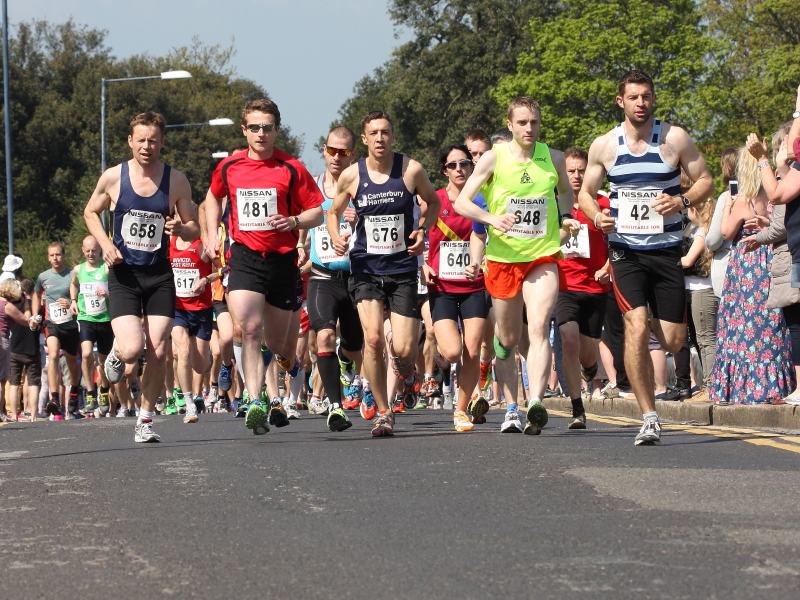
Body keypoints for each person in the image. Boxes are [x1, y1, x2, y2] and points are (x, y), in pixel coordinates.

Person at [579, 70, 714, 445]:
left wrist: (681, 199)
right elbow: (587, 193)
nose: (641, 103)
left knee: (673, 342)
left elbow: (706, 180)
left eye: (647, 97)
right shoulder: (605, 145)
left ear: (654, 99)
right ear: (621, 101)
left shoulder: (674, 138)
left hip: (667, 250)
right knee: (635, 325)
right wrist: (596, 215)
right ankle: (649, 416)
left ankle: (651, 326)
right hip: (626, 252)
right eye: (634, 97)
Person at [455, 96, 578, 435]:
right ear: (510, 125)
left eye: (534, 122)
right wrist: (493, 218)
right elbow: (462, 201)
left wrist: (566, 218)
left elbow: (566, 192)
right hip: (504, 259)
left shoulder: (552, 158)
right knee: (507, 340)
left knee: (539, 326)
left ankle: (535, 402)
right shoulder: (494, 159)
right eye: (522, 122)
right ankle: (510, 405)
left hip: (542, 255)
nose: (529, 128)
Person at [204, 99, 324, 435]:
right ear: (244, 130)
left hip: (283, 262)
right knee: (250, 329)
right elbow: (213, 197)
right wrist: (213, 232)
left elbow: (318, 211)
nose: (261, 133)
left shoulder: (291, 167)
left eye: (267, 127)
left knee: (281, 345)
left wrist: (294, 220)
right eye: (254, 127)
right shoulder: (229, 166)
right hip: (244, 258)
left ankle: (289, 363)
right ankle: (255, 400)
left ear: (276, 130)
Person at [84, 112, 199, 443]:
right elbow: (90, 211)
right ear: (130, 141)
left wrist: (181, 227)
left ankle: (145, 420)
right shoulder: (113, 177)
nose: (147, 146)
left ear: (162, 142)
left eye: (153, 140)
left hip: (160, 274)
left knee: (160, 351)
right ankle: (120, 352)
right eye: (141, 139)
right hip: (124, 274)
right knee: (134, 351)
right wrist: (105, 244)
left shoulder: (176, 181)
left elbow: (194, 228)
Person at [327, 110, 441, 437]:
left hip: (402, 269)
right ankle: (383, 411)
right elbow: (333, 212)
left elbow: (431, 203)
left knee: (404, 349)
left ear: (393, 136)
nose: (380, 138)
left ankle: (407, 373)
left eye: (385, 132)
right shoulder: (352, 175)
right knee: (374, 339)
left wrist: (422, 230)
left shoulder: (411, 169)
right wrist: (336, 236)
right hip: (365, 268)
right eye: (374, 133)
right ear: (364, 139)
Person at [708, 145, 794, 403]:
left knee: (741, 329)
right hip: (771, 260)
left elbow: (724, 233)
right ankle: (776, 385)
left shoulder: (743, 200)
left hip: (746, 265)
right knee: (771, 326)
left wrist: (727, 207)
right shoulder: (775, 196)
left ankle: (741, 387)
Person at [424, 144, 489, 432]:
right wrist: (421, 264)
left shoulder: (483, 199)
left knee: (472, 350)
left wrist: (483, 258)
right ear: (444, 171)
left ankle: (460, 409)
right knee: (452, 353)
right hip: (442, 286)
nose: (459, 169)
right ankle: (439, 355)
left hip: (475, 285)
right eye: (452, 165)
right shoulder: (434, 200)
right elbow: (414, 234)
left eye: (464, 163)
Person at [303, 126, 363, 431]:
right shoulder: (313, 186)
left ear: (353, 154)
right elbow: (305, 219)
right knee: (323, 335)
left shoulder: (362, 186)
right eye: (331, 151)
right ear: (324, 151)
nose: (336, 157)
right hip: (322, 276)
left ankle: (345, 359)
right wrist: (301, 247)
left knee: (354, 345)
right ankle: (336, 406)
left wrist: (359, 216)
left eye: (344, 152)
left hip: (356, 278)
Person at [555, 147, 611, 429]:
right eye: (570, 171)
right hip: (564, 286)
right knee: (569, 341)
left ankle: (590, 369)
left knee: (588, 354)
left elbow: (621, 240)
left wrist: (609, 266)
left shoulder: (603, 202)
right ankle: (577, 408)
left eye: (581, 170)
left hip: (596, 288)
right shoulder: (554, 204)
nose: (576, 176)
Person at [170, 231, 217, 424]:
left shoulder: (202, 243)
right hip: (177, 308)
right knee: (183, 351)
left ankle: (207, 357)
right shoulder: (170, 242)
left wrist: (206, 280)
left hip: (201, 309)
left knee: (200, 366)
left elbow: (220, 269)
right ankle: (189, 403)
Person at [31, 242, 82, 418]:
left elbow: (82, 297)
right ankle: (54, 399)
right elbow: (36, 296)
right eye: (52, 255)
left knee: (72, 362)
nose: (55, 258)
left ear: (64, 255)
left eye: (58, 255)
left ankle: (74, 391)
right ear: (48, 257)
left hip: (71, 324)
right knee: (52, 355)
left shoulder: (72, 275)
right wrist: (35, 315)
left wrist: (71, 303)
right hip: (51, 323)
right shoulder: (43, 277)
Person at [69, 236, 113, 417]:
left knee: (103, 362)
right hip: (86, 318)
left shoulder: (106, 268)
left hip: (105, 320)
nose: (90, 254)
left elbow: (119, 290)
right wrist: (73, 301)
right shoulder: (78, 270)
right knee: (86, 354)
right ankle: (89, 393)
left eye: (93, 250)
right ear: (83, 251)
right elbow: (73, 285)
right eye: (87, 251)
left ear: (99, 250)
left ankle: (103, 390)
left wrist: (107, 293)